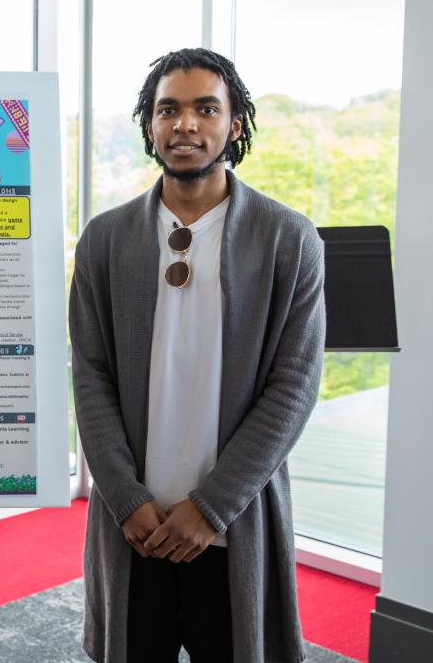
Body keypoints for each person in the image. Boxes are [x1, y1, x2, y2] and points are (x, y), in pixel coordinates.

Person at [70, 48, 325, 662]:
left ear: (234, 124)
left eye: (205, 108)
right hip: (135, 522)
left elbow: (293, 386)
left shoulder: (288, 238)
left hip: (233, 522)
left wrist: (211, 508)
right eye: (168, 110)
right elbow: (90, 375)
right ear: (149, 124)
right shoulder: (106, 239)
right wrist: (125, 499)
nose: (185, 124)